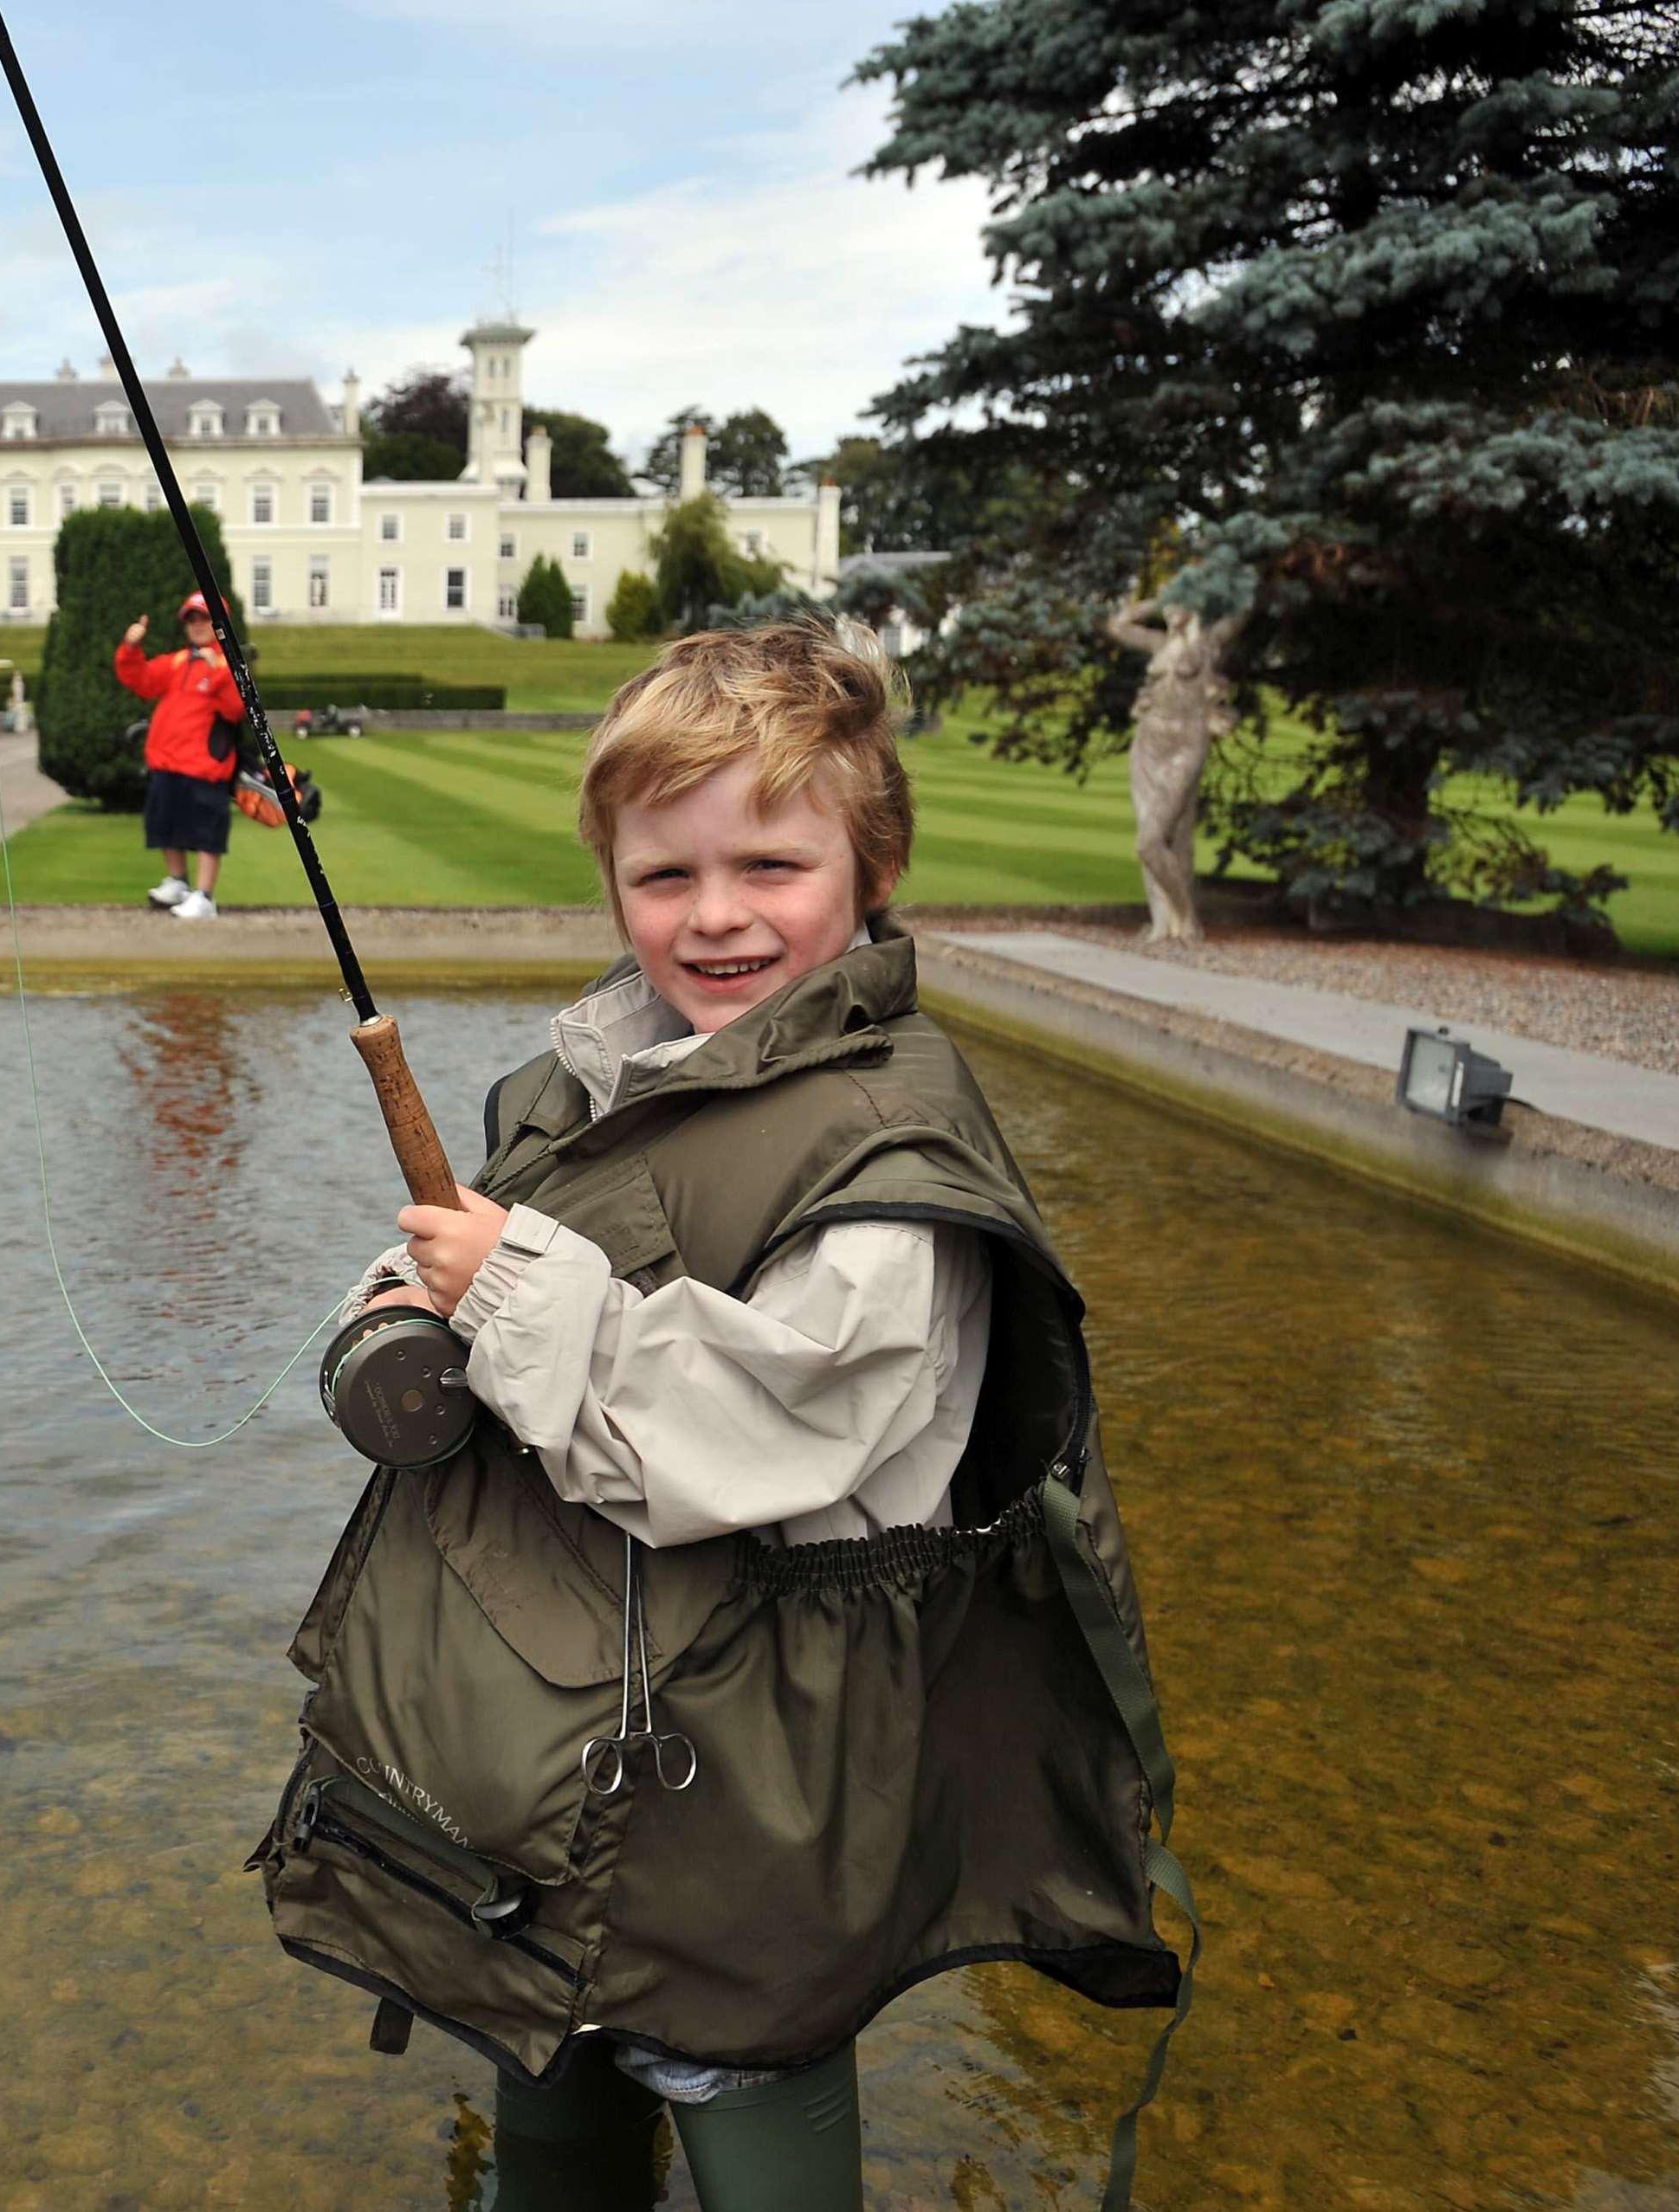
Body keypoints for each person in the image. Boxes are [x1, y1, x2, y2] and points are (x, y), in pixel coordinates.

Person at [262, 619, 1186, 2212]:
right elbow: (506, 1257)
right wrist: (416, 1297)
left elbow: (767, 1426)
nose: (716, 917)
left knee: (741, 2085)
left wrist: (512, 1290)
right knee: (549, 2085)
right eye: (663, 876)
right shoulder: (593, 1074)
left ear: (870, 863)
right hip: (552, 1776)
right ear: (611, 882)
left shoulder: (892, 1150)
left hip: (743, 1793)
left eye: (771, 864)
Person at [114, 590, 248, 921]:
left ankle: (204, 896)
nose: (198, 625)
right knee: (164, 824)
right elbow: (142, 681)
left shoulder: (229, 664)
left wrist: (217, 671)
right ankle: (178, 881)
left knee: (207, 833)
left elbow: (235, 709)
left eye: (204, 618)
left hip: (205, 764)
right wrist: (131, 649)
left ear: (220, 624)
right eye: (193, 619)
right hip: (168, 761)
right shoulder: (179, 661)